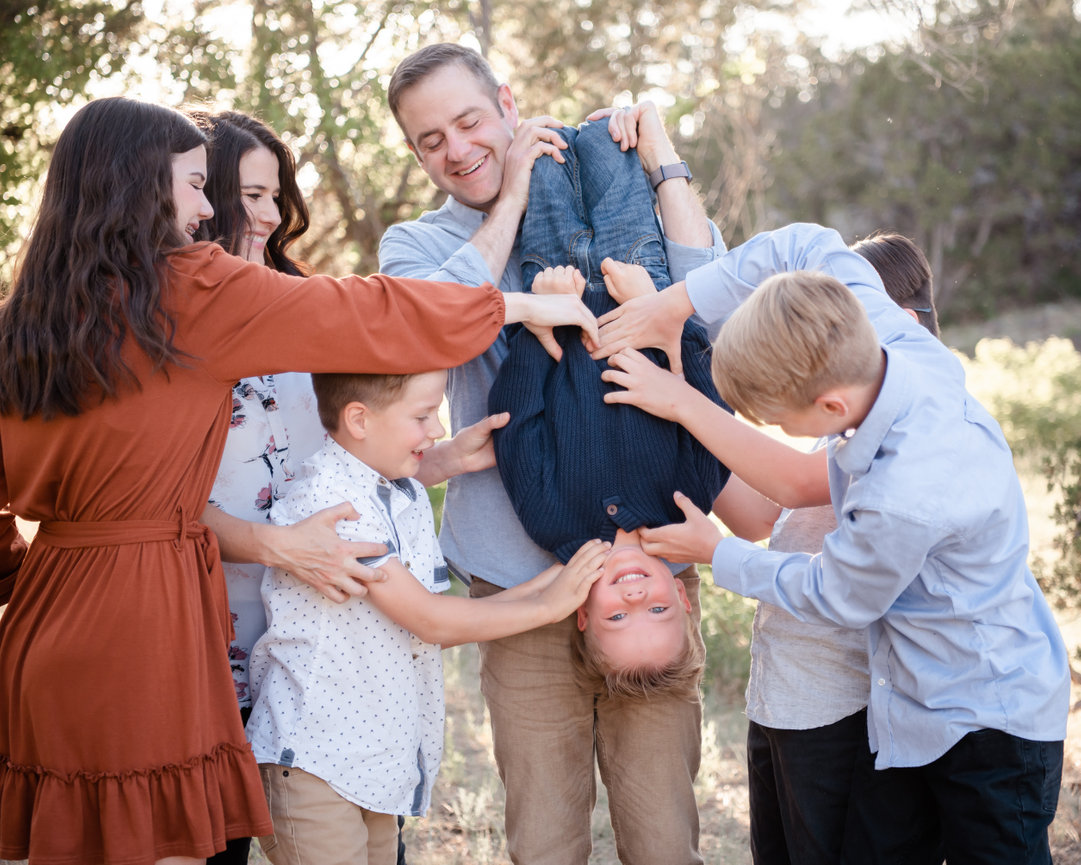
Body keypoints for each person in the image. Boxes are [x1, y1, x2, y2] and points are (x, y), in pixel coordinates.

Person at [0, 96, 598, 865]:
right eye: (191, 184)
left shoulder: (24, 324)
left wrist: (29, 569)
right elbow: (365, 312)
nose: (203, 207)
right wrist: (513, 304)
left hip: (42, 622)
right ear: (138, 185)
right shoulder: (187, 289)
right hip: (146, 626)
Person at [598, 221, 1070, 864]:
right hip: (907, 708)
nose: (789, 437)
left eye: (781, 424)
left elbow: (837, 593)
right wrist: (675, 302)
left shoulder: (906, 488)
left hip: (990, 724)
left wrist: (717, 553)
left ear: (828, 409)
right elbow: (805, 243)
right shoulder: (879, 330)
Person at [379, 42, 725, 863]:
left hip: (646, 580)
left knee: (663, 828)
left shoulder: (617, 189)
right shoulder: (414, 246)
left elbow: (702, 279)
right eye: (431, 141)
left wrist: (661, 155)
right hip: (513, 580)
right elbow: (435, 316)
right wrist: (517, 197)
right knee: (543, 832)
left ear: (505, 103)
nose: (457, 150)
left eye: (468, 122)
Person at [187, 109, 507, 865]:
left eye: (275, 195)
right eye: (246, 195)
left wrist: (435, 461)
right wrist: (275, 545)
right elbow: (156, 498)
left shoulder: (305, 312)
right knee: (219, 842)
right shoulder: (175, 324)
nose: (266, 215)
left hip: (322, 640)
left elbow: (337, 453)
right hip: (212, 626)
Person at [245, 367, 609, 865]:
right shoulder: (330, 502)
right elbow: (431, 621)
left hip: (370, 762)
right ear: (359, 419)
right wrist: (547, 606)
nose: (436, 431)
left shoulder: (401, 493)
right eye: (422, 416)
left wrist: (544, 584)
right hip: (315, 760)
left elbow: (428, 623)